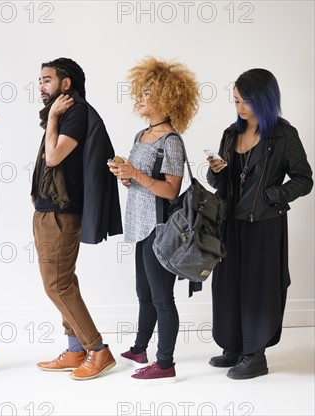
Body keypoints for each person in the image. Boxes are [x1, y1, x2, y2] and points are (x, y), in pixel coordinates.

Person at [206, 68, 313, 380]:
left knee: (258, 288)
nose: (240, 107)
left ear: (264, 100)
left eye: (246, 101)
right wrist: (217, 170)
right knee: (227, 285)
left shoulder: (283, 135)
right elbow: (220, 182)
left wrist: (271, 195)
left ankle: (255, 355)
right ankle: (234, 346)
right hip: (230, 222)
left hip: (264, 224)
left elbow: (304, 179)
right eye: (236, 100)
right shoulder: (230, 133)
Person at [109, 57, 199, 385]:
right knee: (143, 293)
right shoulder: (141, 134)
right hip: (138, 225)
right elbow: (143, 182)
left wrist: (136, 174)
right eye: (140, 92)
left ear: (165, 98)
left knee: (162, 297)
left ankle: (165, 363)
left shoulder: (171, 141)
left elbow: (171, 191)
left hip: (160, 229)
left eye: (147, 93)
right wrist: (126, 175)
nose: (139, 98)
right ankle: (139, 349)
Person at [32, 58, 117, 381]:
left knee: (57, 285)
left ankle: (98, 350)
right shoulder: (66, 112)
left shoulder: (75, 112)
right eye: (39, 80)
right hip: (48, 210)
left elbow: (53, 156)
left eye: (47, 79)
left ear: (66, 84)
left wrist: (53, 117)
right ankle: (74, 349)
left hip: (61, 213)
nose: (41, 85)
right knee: (64, 282)